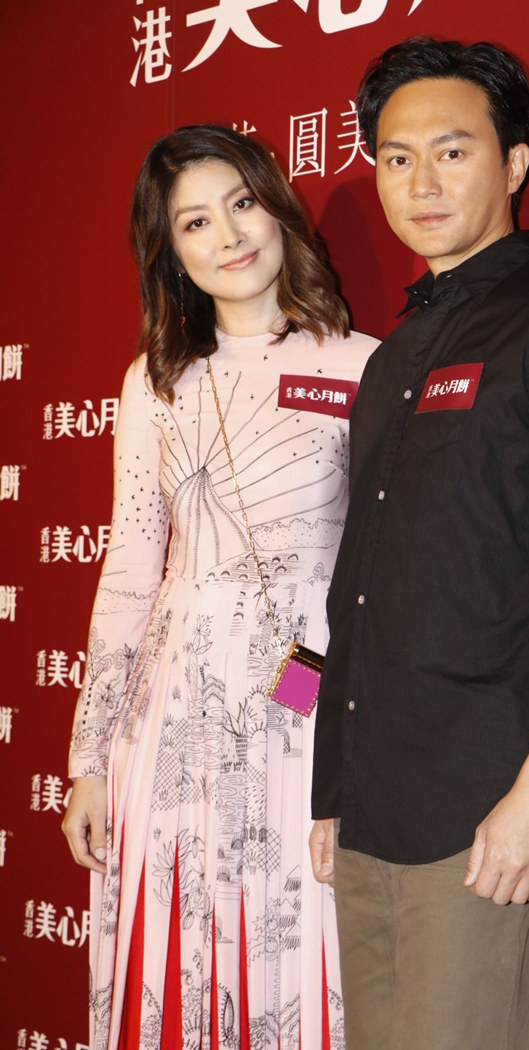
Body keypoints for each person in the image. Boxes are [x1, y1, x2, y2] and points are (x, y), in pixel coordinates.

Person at [309, 38, 529, 1050]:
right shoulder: (390, 360)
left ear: (514, 163)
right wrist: (332, 788)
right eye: (396, 157)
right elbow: (356, 591)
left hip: (481, 817)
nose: (421, 182)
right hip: (367, 811)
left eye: (452, 151)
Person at [62, 124, 377, 1050]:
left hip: (307, 703)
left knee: (299, 955)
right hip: (172, 716)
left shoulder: (365, 365)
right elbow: (130, 569)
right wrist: (88, 760)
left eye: (242, 204)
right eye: (195, 221)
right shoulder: (154, 384)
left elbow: (379, 575)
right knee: (175, 959)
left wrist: (332, 713)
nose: (228, 235)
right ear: (170, 250)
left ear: (279, 209)